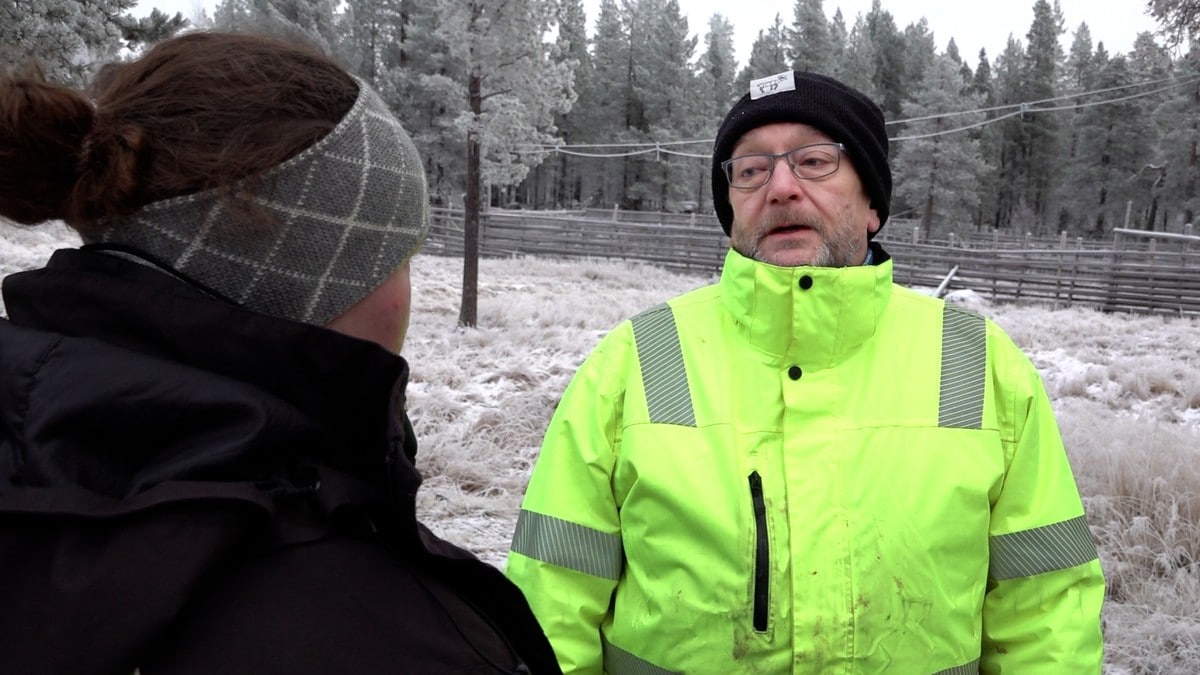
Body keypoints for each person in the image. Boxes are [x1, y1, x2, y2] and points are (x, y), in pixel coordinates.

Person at [505, 70, 1105, 673]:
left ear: (871, 203)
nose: (781, 187)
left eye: (815, 160)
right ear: (732, 208)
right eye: (750, 170)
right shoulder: (633, 361)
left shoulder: (981, 363)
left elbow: (1045, 611)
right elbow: (548, 608)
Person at [0, 31, 559, 674]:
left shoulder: (39, 458)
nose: (409, 294)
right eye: (400, 257)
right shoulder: (358, 628)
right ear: (301, 281)